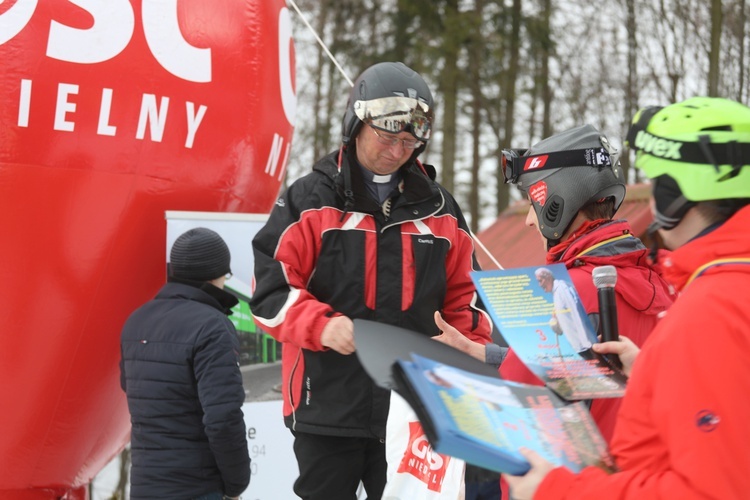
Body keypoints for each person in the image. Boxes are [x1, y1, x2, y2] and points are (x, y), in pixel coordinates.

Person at [249, 61, 493, 499]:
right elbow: (270, 293)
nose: (398, 151)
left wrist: (465, 354)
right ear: (356, 122)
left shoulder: (440, 210)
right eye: (387, 136)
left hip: (414, 408)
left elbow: (467, 300)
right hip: (326, 404)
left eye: (409, 141)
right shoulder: (310, 200)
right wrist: (322, 325)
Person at [504, 96, 750, 499]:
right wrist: (649, 372)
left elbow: (709, 489)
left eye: (658, 183)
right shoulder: (714, 286)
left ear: (673, 194)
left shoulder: (712, 309)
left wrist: (558, 491)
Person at [435, 124, 675, 446]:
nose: (529, 220)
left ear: (555, 204)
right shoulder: (657, 280)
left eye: (533, 206)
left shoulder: (566, 291)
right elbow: (581, 374)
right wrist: (482, 353)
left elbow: (522, 407)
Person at [120, 227, 250, 500]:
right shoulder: (213, 326)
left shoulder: (137, 320)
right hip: (196, 487)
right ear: (217, 274)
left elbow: (132, 392)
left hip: (145, 485)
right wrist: (236, 484)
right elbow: (223, 418)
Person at [534, 267, 595, 358]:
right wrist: (553, 320)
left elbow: (576, 312)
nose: (539, 285)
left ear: (549, 278)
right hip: (578, 347)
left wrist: (586, 342)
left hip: (586, 346)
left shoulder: (562, 288)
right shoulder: (555, 295)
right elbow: (560, 331)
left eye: (540, 281)